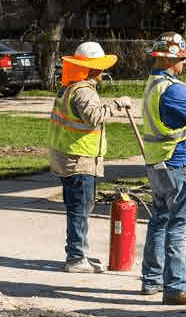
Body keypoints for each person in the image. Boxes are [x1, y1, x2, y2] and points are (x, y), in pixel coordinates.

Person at [139, 32, 186, 305]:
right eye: (181, 60)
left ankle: (152, 280)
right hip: (178, 165)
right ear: (172, 60)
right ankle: (176, 287)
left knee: (159, 221)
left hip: (158, 164)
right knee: (180, 227)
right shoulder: (174, 88)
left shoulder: (152, 84)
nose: (184, 65)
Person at [48, 42, 132, 273]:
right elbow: (94, 116)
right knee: (79, 209)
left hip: (69, 158)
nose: (103, 72)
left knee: (80, 207)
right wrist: (118, 103)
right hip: (79, 159)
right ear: (94, 70)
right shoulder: (84, 91)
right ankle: (76, 258)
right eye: (101, 68)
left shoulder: (72, 88)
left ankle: (79, 253)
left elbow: (87, 111)